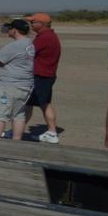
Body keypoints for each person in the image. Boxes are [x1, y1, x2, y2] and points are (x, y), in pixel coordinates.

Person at [0, 18, 35, 141]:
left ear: (15, 30)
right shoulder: (30, 43)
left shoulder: (15, 45)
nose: (8, 30)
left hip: (9, 86)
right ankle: (16, 141)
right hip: (25, 85)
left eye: (10, 28)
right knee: (19, 115)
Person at [24, 12, 61, 143]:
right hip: (45, 75)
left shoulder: (45, 37)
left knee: (44, 104)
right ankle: (19, 129)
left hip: (41, 76)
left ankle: (52, 132)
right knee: (29, 104)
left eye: (33, 22)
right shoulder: (48, 36)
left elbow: (28, 52)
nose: (31, 24)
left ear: (42, 23)